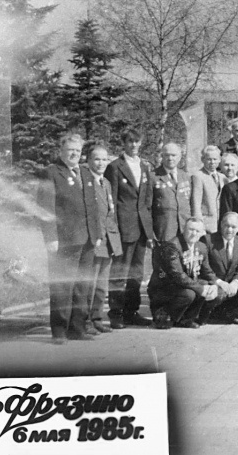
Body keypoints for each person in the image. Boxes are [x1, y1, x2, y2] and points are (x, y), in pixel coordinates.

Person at [36, 134, 96, 344]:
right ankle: (59, 331)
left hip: (87, 239)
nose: (74, 154)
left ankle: (77, 328)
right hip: (64, 240)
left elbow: (92, 207)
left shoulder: (86, 173)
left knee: (82, 286)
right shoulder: (51, 173)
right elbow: (45, 208)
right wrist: (50, 238)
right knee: (62, 286)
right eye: (70, 150)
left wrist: (96, 235)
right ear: (61, 151)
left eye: (78, 151)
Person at [104, 128, 156, 329]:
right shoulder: (115, 167)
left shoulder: (144, 166)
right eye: (130, 141)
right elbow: (112, 201)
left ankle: (131, 312)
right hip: (124, 228)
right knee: (119, 271)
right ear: (123, 143)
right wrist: (114, 230)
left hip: (141, 229)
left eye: (137, 141)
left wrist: (149, 230)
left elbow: (147, 200)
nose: (134, 145)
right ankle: (115, 313)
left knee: (136, 273)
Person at [147, 217, 223, 329]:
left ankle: (186, 319)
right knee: (190, 293)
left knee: (212, 289)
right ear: (183, 229)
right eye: (191, 229)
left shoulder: (201, 246)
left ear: (202, 233)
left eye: (197, 231)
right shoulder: (171, 246)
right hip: (164, 288)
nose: (194, 234)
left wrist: (216, 285)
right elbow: (178, 275)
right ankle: (162, 315)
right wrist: (201, 289)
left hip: (184, 286)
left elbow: (207, 271)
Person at [84, 144, 123, 335]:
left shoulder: (105, 182)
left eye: (105, 159)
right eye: (97, 159)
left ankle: (97, 318)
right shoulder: (86, 181)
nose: (101, 163)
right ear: (89, 160)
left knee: (102, 284)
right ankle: (85, 321)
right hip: (94, 239)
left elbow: (110, 213)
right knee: (90, 283)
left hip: (108, 241)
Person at [152, 142, 191, 243]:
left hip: (184, 227)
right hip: (164, 229)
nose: (170, 158)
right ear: (162, 156)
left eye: (173, 155)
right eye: (167, 155)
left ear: (180, 157)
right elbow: (146, 206)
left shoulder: (185, 176)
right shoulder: (153, 176)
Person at [190, 145, 225, 236]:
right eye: (209, 159)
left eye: (215, 159)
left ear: (219, 159)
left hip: (220, 225)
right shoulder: (198, 176)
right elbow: (196, 203)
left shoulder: (223, 177)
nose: (212, 162)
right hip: (206, 226)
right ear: (203, 159)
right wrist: (199, 226)